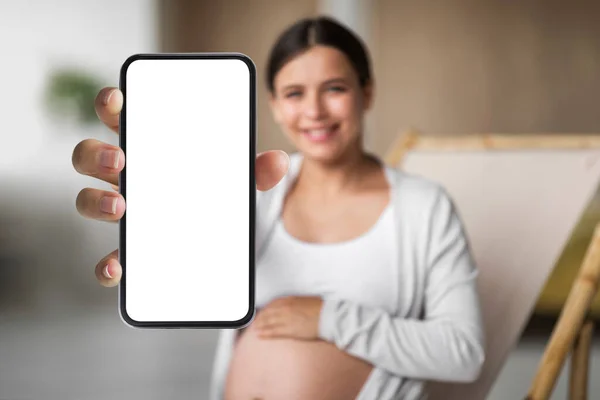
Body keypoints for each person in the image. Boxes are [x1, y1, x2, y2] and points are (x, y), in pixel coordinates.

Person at [72, 15, 485, 400]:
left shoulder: (424, 208)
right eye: (294, 93)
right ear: (272, 104)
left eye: (335, 88)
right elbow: (193, 270)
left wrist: (328, 318)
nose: (314, 111)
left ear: (368, 91)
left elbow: (464, 353)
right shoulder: (256, 191)